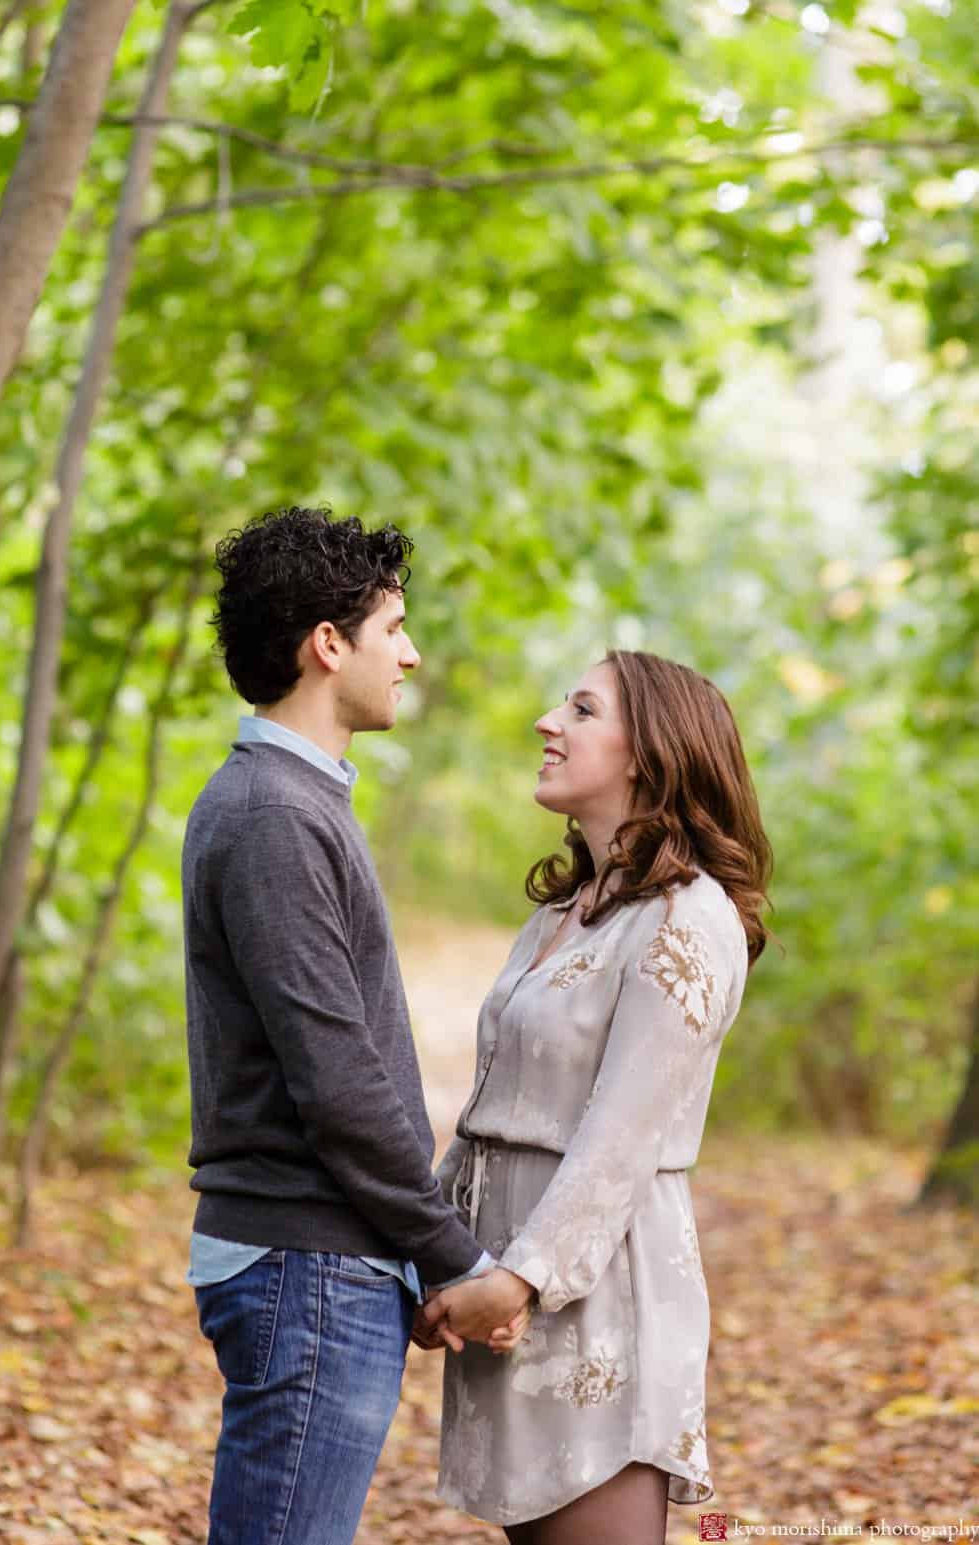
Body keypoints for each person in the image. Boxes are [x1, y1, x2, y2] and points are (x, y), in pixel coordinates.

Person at [181, 506, 530, 1545]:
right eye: (395, 630)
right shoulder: (274, 817)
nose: (412, 655)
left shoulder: (296, 802)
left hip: (321, 1263)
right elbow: (335, 1079)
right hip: (306, 1266)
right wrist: (452, 1257)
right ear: (326, 647)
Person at [418, 648, 773, 1544]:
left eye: (580, 709)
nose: (547, 722)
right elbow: (489, 1109)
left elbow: (622, 1136)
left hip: (596, 1291)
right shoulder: (566, 908)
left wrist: (521, 1279)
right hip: (507, 1282)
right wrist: (434, 1252)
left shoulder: (691, 917)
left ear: (651, 753)